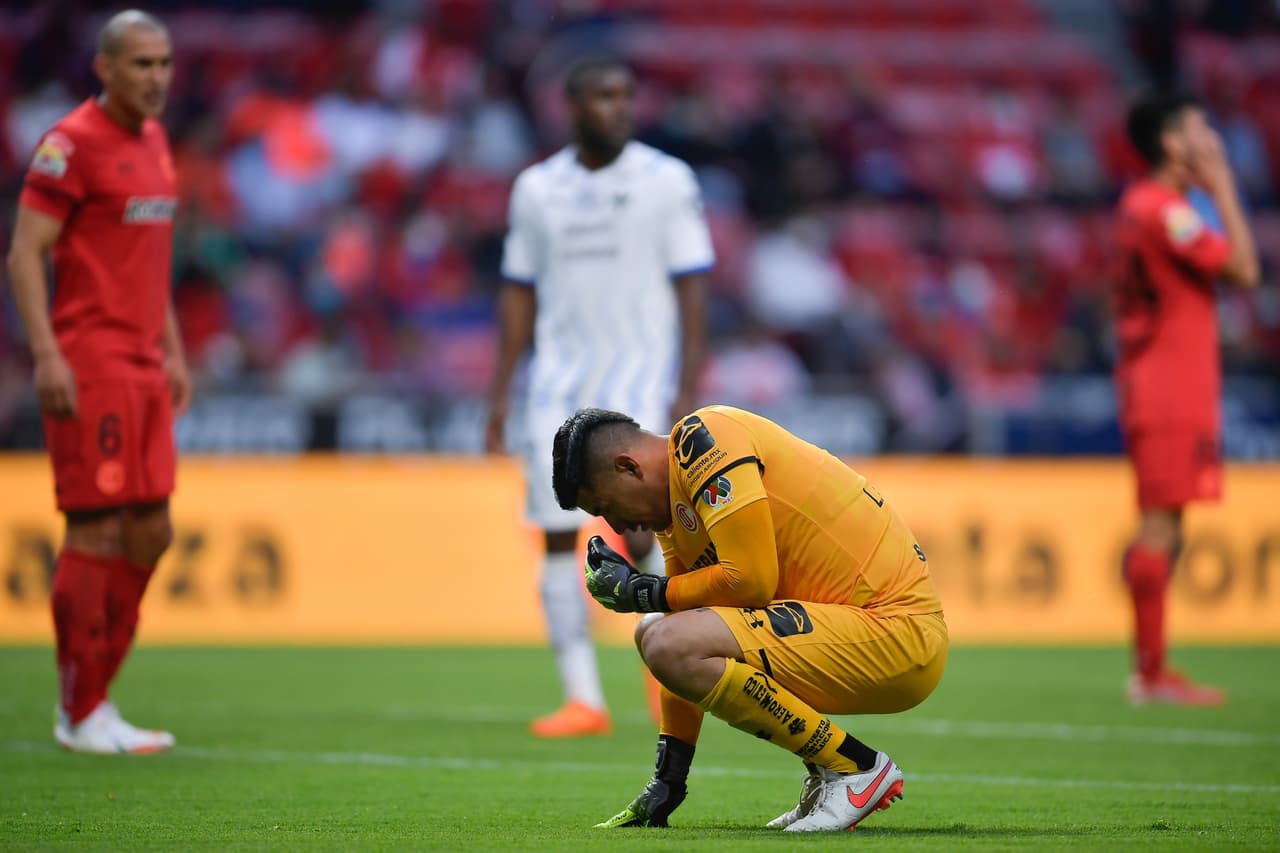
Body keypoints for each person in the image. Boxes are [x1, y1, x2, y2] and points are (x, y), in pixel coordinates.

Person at [551, 406, 948, 831]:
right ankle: (830, 771)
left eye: (607, 507)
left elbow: (751, 581)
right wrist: (668, 779)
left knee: (662, 632)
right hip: (857, 629)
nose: (618, 525)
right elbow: (680, 625)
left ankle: (856, 768)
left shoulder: (704, 438)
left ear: (627, 467)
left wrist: (644, 590)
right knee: (656, 629)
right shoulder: (675, 511)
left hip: (896, 630)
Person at [484, 57, 713, 737]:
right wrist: (499, 391)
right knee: (554, 537)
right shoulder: (536, 189)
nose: (618, 108)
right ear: (572, 105)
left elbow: (692, 286)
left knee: (646, 535)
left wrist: (688, 388)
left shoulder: (667, 181)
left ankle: (664, 674)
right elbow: (518, 290)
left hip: (638, 387)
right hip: (553, 388)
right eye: (603, 97)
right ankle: (582, 698)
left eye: (625, 97)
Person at [6, 9, 188, 752]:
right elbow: (24, 254)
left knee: (152, 531)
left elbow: (150, 258)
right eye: (141, 64)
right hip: (90, 360)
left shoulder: (155, 142)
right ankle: (78, 708)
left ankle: (96, 697)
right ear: (104, 69)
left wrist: (173, 347)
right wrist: (46, 353)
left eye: (165, 63)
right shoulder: (68, 144)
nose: (157, 78)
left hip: (145, 365)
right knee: (96, 527)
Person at [1113, 92, 1259, 707]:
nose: (1211, 138)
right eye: (1200, 127)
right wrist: (1223, 180)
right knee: (1158, 526)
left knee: (1169, 528)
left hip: (1169, 382)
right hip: (1170, 387)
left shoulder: (1147, 207)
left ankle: (1153, 667)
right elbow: (1246, 271)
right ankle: (1148, 674)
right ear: (1173, 143)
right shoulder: (1163, 209)